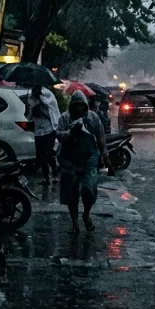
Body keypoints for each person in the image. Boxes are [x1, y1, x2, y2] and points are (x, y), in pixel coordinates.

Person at [56, 91, 108, 234]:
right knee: (71, 193)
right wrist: (69, 133)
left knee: (88, 189)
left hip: (89, 159)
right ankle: (74, 223)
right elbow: (58, 134)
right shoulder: (64, 118)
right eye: (76, 105)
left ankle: (86, 214)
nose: (79, 109)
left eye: (81, 105)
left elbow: (101, 138)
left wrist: (105, 157)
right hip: (68, 159)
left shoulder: (93, 118)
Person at [24, 85, 61, 183]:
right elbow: (29, 118)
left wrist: (41, 104)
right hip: (38, 133)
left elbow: (53, 113)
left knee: (48, 153)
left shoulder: (47, 99)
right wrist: (30, 108)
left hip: (49, 131)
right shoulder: (32, 103)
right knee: (40, 155)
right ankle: (46, 177)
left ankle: (54, 174)